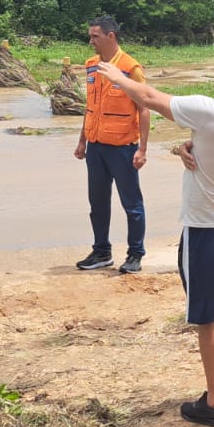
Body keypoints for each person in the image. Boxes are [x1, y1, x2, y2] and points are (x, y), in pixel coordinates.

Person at [95, 42, 214, 427]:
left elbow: (150, 97)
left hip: (208, 229)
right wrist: (187, 147)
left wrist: (115, 75)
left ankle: (213, 403)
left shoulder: (211, 109)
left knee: (208, 317)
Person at [73, 16, 152, 274]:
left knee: (132, 204)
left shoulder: (131, 68)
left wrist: (142, 149)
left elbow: (144, 109)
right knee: (97, 203)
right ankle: (101, 251)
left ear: (111, 37)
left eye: (95, 36)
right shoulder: (92, 66)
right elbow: (90, 107)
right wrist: (82, 141)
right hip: (95, 147)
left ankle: (135, 254)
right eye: (90, 36)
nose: (91, 41)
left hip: (123, 148)